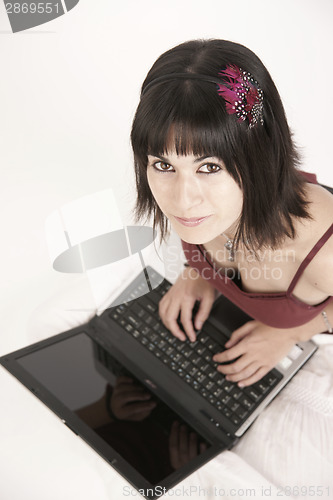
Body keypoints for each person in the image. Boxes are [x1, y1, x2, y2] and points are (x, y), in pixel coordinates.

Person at [130, 39, 333, 388]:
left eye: (209, 167)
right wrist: (199, 272)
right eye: (163, 164)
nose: (182, 200)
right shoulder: (205, 206)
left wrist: (291, 333)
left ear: (259, 156)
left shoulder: (323, 253)